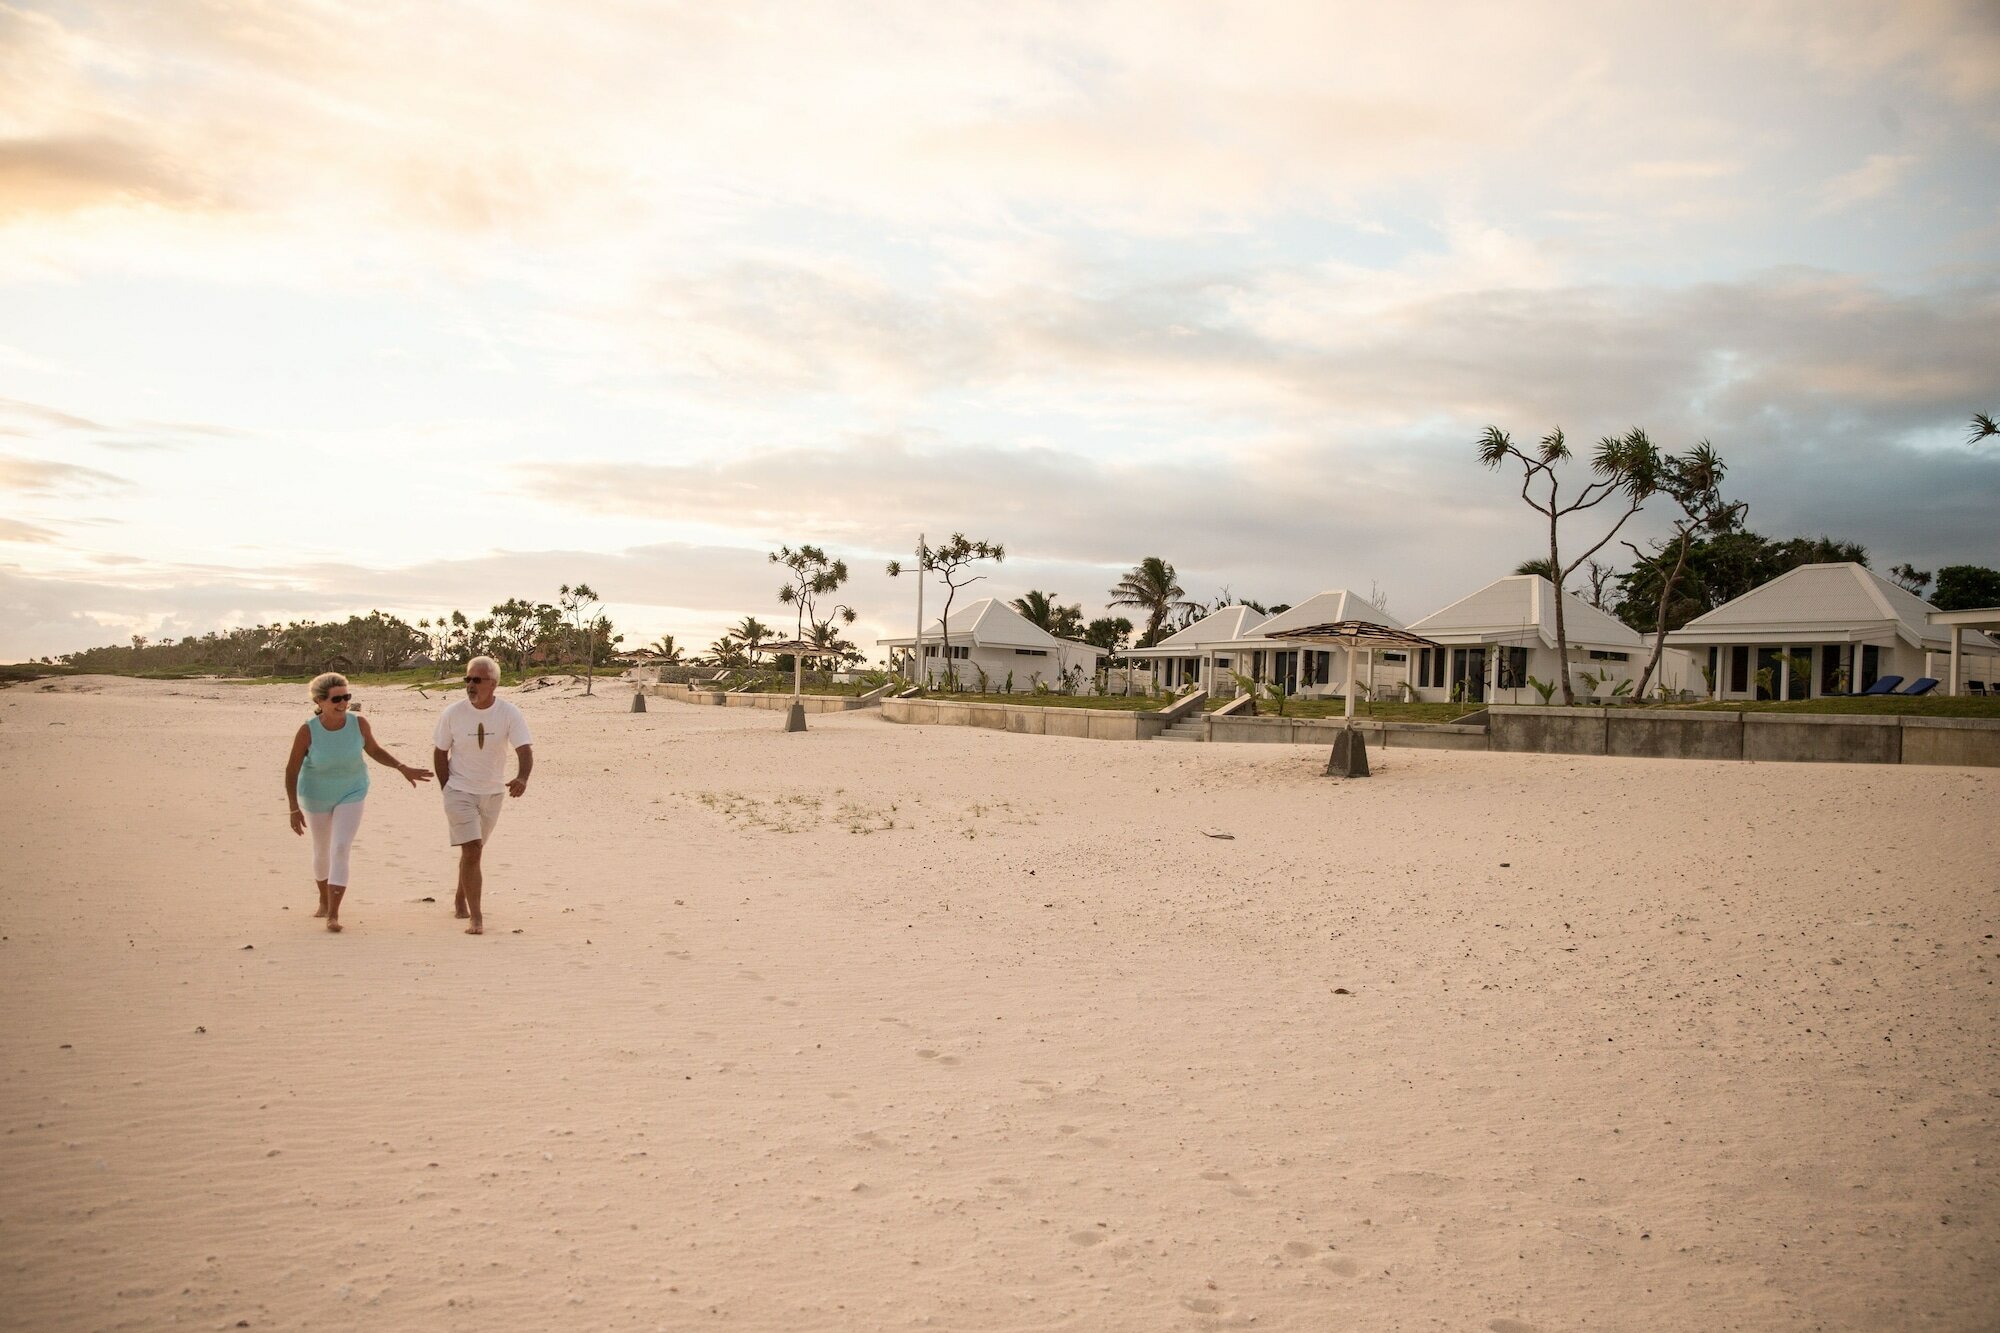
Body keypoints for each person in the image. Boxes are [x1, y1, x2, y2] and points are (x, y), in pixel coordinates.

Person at [284, 672, 433, 932]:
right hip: (316, 794)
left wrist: (402, 767)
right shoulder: (308, 730)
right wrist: (293, 807)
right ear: (320, 701)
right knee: (321, 850)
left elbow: (374, 750)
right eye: (336, 699)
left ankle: (333, 912)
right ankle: (323, 897)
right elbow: (292, 769)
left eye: (347, 697)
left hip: (352, 791)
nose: (343, 703)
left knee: (340, 847)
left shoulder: (359, 724)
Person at [432, 656, 534, 935]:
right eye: (467, 679)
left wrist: (522, 777)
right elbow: (440, 752)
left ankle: (459, 897)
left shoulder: (509, 713)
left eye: (477, 680)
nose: (470, 685)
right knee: (472, 848)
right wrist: (447, 789)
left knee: (474, 851)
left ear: (493, 683)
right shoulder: (452, 713)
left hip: (492, 792)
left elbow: (524, 749)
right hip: (459, 790)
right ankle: (476, 918)